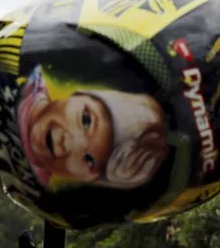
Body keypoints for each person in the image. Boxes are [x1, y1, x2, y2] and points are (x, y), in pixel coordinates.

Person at [17, 64, 169, 190]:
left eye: (89, 160)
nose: (69, 141)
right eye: (86, 120)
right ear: (80, 95)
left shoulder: (32, 186)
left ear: (86, 179)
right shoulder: (28, 77)